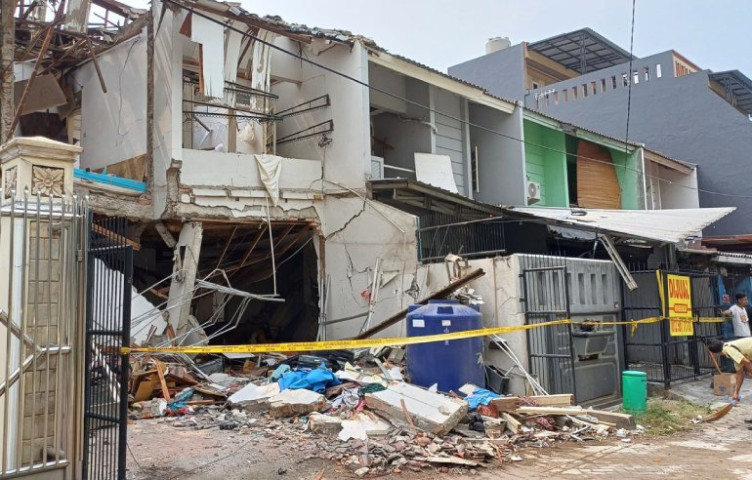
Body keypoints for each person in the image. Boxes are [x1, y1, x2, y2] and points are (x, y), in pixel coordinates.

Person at [707, 337, 752, 403]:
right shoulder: (729, 350)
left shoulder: (729, 350)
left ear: (716, 353)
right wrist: (736, 393)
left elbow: (747, 363)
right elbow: (739, 374)